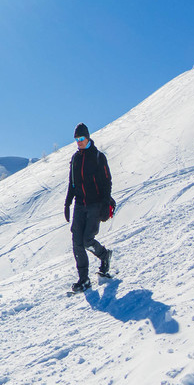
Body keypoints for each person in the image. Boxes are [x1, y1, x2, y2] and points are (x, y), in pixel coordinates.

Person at [64, 123, 115, 293]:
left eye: (81, 138)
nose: (78, 142)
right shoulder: (75, 159)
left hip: (95, 204)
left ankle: (104, 255)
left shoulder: (98, 157)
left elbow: (107, 182)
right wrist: (67, 203)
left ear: (88, 137)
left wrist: (106, 204)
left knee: (87, 240)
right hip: (79, 204)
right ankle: (84, 279)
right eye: (76, 139)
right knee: (77, 242)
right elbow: (72, 183)